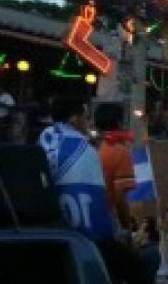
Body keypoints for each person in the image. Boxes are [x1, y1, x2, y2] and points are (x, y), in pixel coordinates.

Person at [37, 96, 114, 242]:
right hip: (80, 240)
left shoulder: (43, 139)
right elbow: (97, 205)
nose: (89, 123)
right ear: (74, 119)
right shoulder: (86, 151)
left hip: (46, 232)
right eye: (85, 118)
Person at [93, 102, 135, 230]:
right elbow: (121, 198)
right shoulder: (120, 152)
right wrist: (127, 228)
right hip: (106, 222)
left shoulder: (91, 148)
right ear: (119, 123)